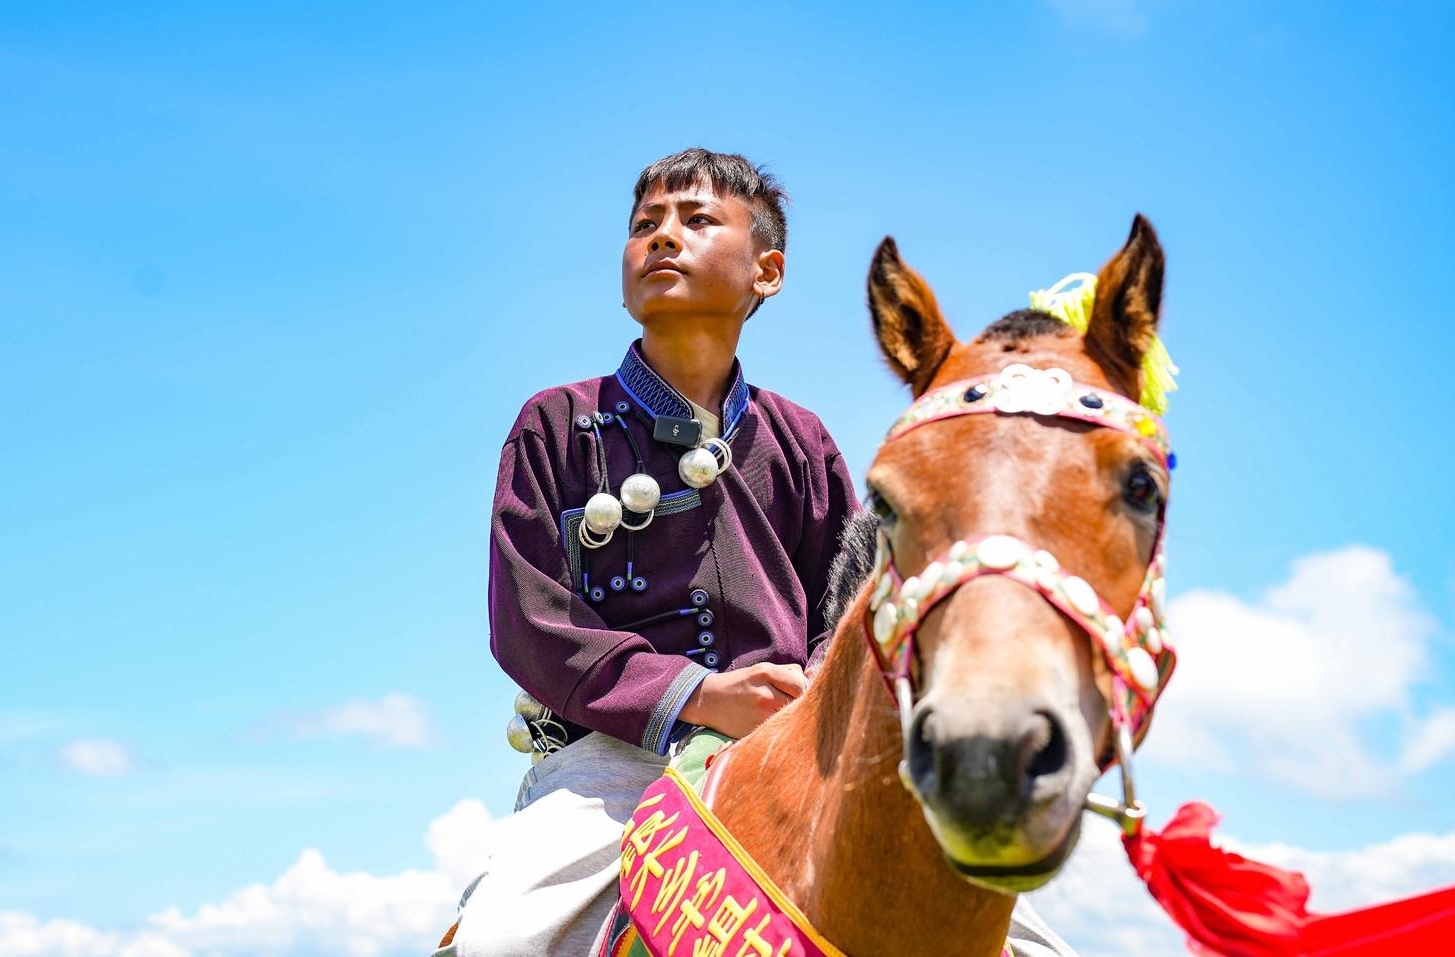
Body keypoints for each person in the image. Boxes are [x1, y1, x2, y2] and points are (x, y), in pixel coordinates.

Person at [437, 148, 1077, 956]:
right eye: (644, 226)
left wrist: (809, 700)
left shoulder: (802, 440)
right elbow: (531, 621)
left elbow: (848, 607)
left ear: (766, 271)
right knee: (503, 937)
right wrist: (697, 694)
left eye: (696, 220)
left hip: (795, 748)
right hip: (613, 768)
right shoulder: (557, 425)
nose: (663, 238)